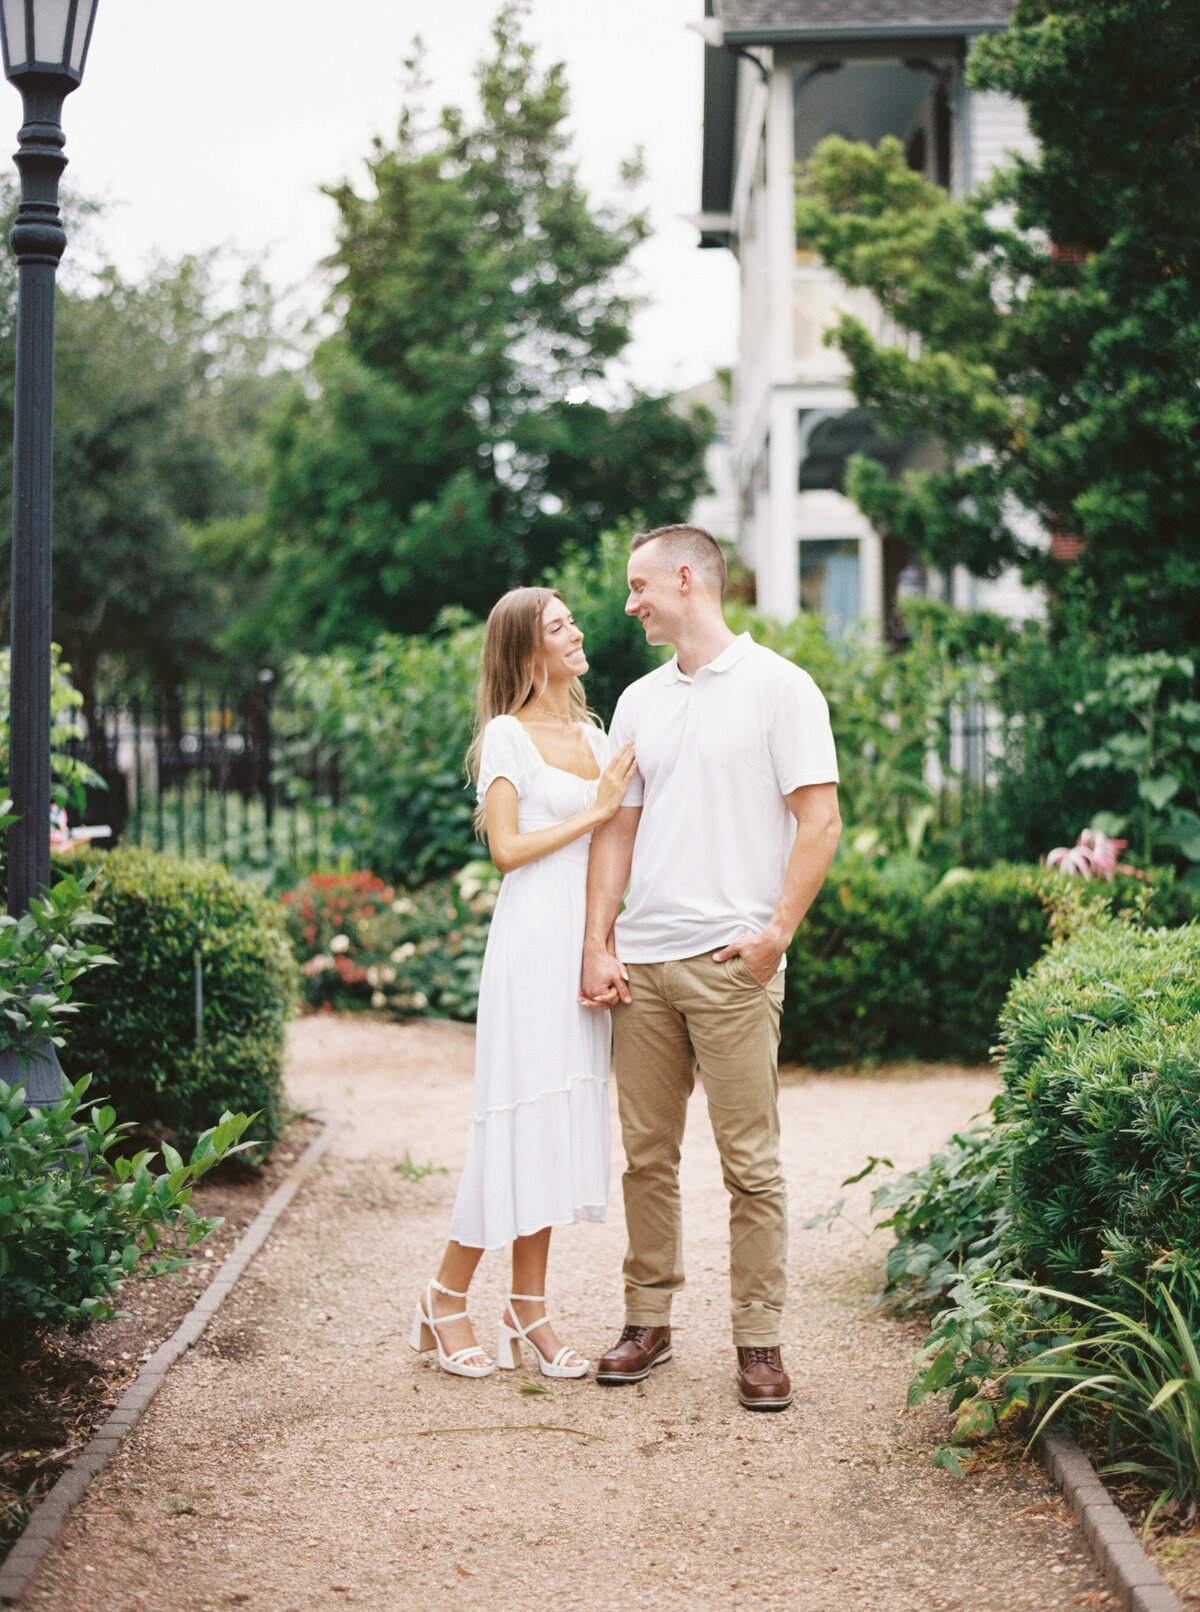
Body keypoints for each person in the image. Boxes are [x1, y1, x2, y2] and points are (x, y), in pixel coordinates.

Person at [579, 525, 841, 1411]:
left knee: (750, 1166)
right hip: (644, 966)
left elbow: (820, 820)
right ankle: (646, 1321)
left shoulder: (782, 687)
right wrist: (598, 940)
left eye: (638, 585)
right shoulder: (639, 700)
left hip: (733, 965)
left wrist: (776, 936)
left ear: (685, 579)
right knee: (646, 1158)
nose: (629, 603)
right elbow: (620, 827)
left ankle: (759, 1341)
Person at [411, 587, 637, 1380]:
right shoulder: (507, 735)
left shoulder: (595, 731)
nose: (577, 631)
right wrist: (598, 807)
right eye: (558, 625)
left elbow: (623, 839)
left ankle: (527, 1309)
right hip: (529, 939)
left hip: (581, 943)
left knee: (557, 1125)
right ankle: (445, 1296)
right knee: (512, 1124)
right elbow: (506, 850)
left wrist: (606, 943)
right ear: (525, 649)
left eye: (572, 620)